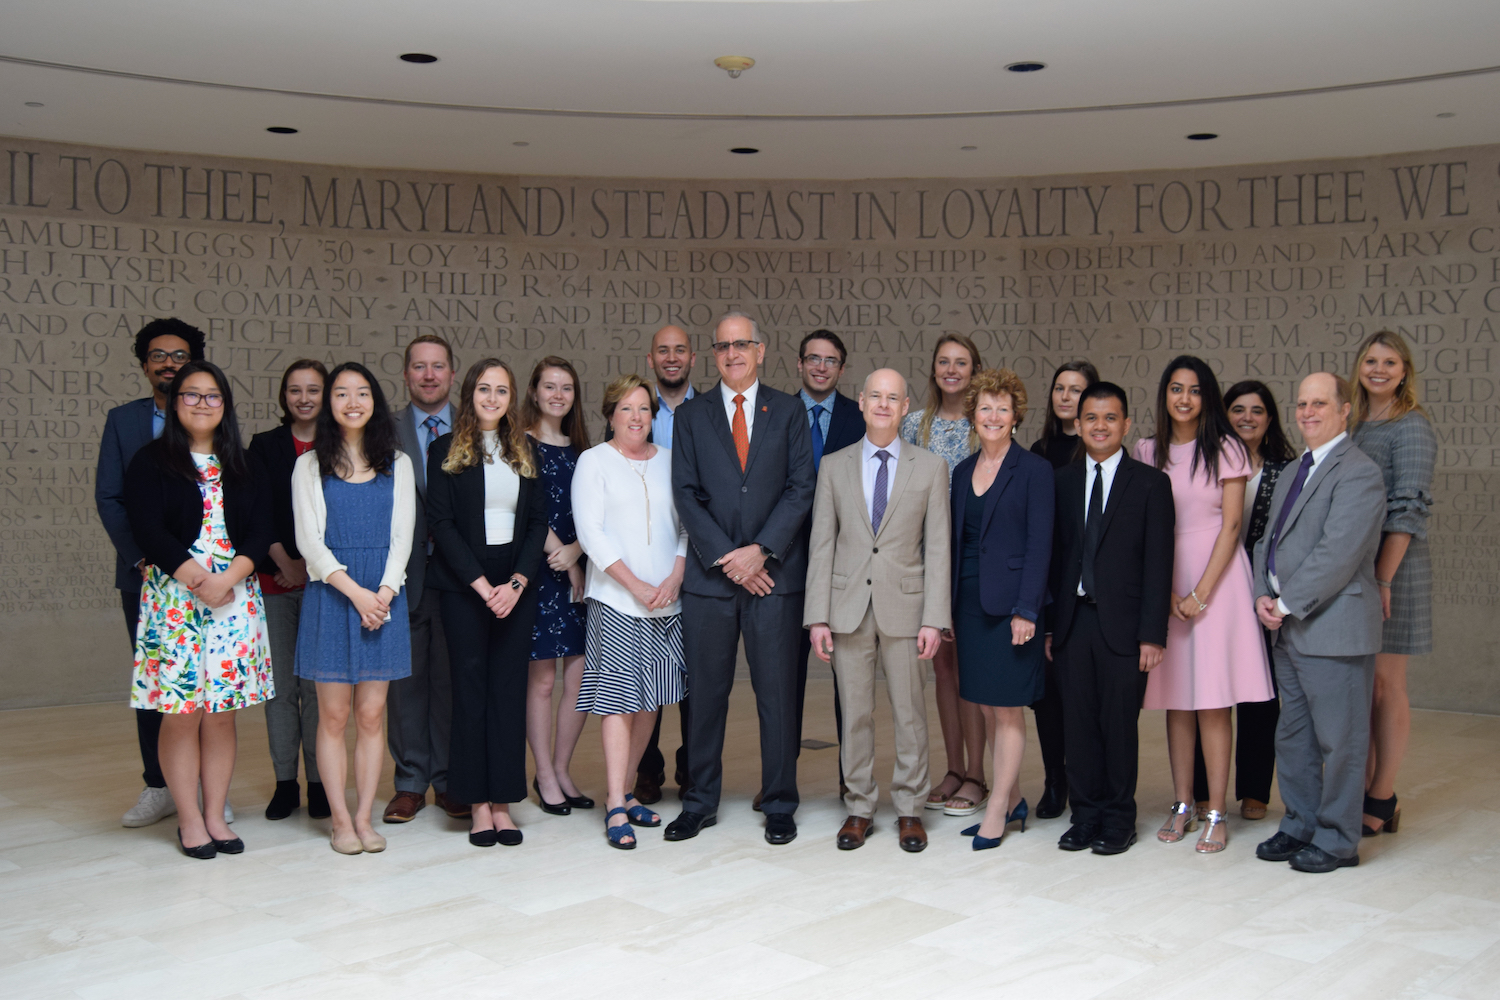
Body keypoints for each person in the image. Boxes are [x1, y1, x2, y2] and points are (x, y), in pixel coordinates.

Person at [665, 312, 816, 845]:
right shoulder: (691, 416)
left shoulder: (791, 410)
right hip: (711, 583)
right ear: (714, 355)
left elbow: (802, 487)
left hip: (773, 580)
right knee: (705, 696)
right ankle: (700, 800)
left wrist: (761, 552)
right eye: (723, 346)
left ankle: (779, 801)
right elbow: (685, 493)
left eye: (742, 344)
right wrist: (731, 557)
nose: (733, 353)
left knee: (777, 694)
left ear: (761, 350)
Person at [124, 360, 272, 858]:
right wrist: (196, 580)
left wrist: (229, 578)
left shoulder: (245, 464)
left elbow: (261, 530)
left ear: (225, 405)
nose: (202, 404)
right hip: (175, 599)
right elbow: (147, 528)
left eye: (212, 396)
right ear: (174, 401)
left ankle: (216, 814)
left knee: (221, 715)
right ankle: (189, 820)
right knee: (182, 713)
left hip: (234, 599)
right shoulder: (150, 461)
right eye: (191, 395)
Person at [806, 369, 949, 852]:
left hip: (907, 610)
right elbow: (821, 544)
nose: (884, 405)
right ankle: (859, 807)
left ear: (905, 406)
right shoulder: (834, 466)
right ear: (862, 403)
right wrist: (816, 616)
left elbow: (939, 548)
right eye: (876, 397)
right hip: (846, 607)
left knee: (909, 713)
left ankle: (910, 808)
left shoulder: (930, 468)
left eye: (894, 398)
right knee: (856, 715)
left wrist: (935, 617)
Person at [1136, 357, 1273, 854]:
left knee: (1214, 701)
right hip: (1165, 579)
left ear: (1206, 397)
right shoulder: (1147, 450)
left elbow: (1232, 526)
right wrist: (1165, 593)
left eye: (1194, 390)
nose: (1185, 398)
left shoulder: (1227, 448)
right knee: (1177, 700)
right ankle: (1181, 803)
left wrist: (1199, 595)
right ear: (1165, 395)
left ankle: (1216, 809)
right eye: (1176, 388)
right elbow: (1146, 526)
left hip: (1218, 582)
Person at [1252, 372, 1386, 872]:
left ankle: (1336, 839)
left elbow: (1338, 553)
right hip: (1287, 625)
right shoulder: (1293, 470)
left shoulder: (1359, 472)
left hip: (1333, 626)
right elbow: (1267, 540)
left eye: (1319, 403)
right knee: (1295, 735)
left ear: (1345, 409)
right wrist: (1262, 595)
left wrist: (1284, 604)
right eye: (1302, 403)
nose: (1307, 412)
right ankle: (1300, 824)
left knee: (1341, 739)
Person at [97, 318, 216, 828]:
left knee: (210, 690)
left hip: (211, 583)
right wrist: (143, 558)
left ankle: (208, 794)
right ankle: (159, 785)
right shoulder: (123, 421)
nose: (169, 364)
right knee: (160, 688)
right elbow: (111, 497)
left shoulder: (213, 416)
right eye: (159, 356)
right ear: (145, 364)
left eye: (179, 355)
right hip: (147, 577)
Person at [293, 362, 416, 855]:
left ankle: (365, 817)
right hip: (333, 596)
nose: (352, 402)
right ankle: (340, 821)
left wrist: (382, 594)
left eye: (361, 393)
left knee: (371, 715)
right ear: (330, 404)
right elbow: (310, 544)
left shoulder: (398, 463)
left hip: (384, 599)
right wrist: (358, 594)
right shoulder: (309, 465)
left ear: (375, 402)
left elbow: (403, 538)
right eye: (341, 394)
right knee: (333, 716)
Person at [1047, 383, 1174, 856]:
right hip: (1072, 622)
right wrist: (1048, 627)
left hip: (1124, 627)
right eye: (1091, 418)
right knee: (1077, 725)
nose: (1100, 426)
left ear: (1125, 424)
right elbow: (1053, 558)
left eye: (1110, 418)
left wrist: (1152, 634)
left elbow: (1159, 564)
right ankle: (1084, 815)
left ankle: (1119, 818)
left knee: (1118, 726)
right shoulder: (1059, 482)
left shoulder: (1150, 484)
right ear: (1077, 424)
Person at [426, 359, 549, 847]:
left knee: (506, 693)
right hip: (464, 589)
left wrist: (516, 584)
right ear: (469, 394)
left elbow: (538, 522)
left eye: (502, 390)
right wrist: (482, 586)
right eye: (484, 389)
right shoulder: (444, 449)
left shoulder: (526, 449)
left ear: (511, 397)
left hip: (516, 588)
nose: (493, 398)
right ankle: (476, 803)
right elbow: (442, 523)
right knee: (470, 693)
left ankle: (502, 802)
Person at [572, 375, 690, 848]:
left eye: (644, 408)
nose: (637, 417)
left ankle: (624, 791)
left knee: (653, 699)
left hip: (666, 601)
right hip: (618, 601)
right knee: (618, 701)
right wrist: (636, 585)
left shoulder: (669, 462)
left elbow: (686, 526)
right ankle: (616, 805)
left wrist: (675, 576)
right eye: (626, 408)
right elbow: (591, 534)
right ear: (610, 414)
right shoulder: (594, 462)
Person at [950, 369, 1054, 850]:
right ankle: (1011, 800)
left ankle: (998, 810)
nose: (993, 416)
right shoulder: (959, 471)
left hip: (1012, 607)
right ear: (973, 414)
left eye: (1003, 408)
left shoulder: (1033, 470)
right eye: (985, 407)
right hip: (968, 604)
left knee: (1009, 711)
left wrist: (1027, 610)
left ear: (1016, 417)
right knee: (988, 708)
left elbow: (1040, 546)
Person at [1191, 380, 1296, 821]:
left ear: (1270, 419)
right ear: (1223, 413)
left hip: (1265, 594)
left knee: (1260, 696)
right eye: (1238, 409)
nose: (1247, 417)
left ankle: (1254, 789)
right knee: (1206, 690)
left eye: (1257, 410)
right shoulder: (1206, 460)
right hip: (1214, 586)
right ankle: (1200, 789)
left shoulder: (1287, 470)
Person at [1350, 331, 1436, 839]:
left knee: (1387, 685)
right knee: (1361, 686)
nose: (1378, 369)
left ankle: (1382, 796)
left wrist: (1384, 577)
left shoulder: (1412, 427)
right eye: (1370, 360)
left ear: (1405, 371)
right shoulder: (1356, 425)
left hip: (1395, 571)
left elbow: (1408, 509)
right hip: (1359, 570)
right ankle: (1357, 787)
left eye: (1390, 362)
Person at [900, 334, 987, 817]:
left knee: (972, 671)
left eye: (961, 363)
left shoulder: (987, 424)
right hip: (928, 563)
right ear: (933, 369)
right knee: (944, 670)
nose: (952, 370)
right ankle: (954, 766)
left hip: (972, 563)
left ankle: (977, 774)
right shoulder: (915, 426)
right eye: (943, 362)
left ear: (974, 370)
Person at [385, 336, 466, 823]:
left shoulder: (476, 426)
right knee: (406, 682)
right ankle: (410, 781)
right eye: (419, 367)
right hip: (403, 574)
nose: (429, 375)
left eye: (438, 367)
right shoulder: (383, 430)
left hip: (460, 576)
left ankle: (450, 779)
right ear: (406, 374)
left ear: (453, 374)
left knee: (452, 680)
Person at [248, 360, 329, 821]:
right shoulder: (264, 446)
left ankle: (319, 782)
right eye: (295, 390)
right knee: (281, 689)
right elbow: (258, 512)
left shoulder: (341, 444)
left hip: (325, 584)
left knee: (317, 689)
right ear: (284, 397)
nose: (304, 398)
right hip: (274, 582)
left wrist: (312, 567)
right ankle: (285, 783)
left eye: (313, 390)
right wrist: (284, 562)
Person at [792, 329, 866, 806]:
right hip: (783, 561)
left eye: (831, 360)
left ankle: (851, 779)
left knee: (850, 678)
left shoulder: (862, 418)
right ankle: (778, 780)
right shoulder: (773, 412)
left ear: (842, 368)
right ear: (799, 364)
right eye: (813, 359)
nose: (821, 367)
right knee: (783, 679)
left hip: (844, 567)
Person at [520, 356, 594, 813]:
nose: (558, 395)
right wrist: (563, 556)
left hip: (581, 567)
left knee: (581, 675)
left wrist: (580, 551)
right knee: (543, 679)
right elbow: (526, 508)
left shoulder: (584, 450)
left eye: (566, 388)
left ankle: (563, 767)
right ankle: (543, 773)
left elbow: (599, 513)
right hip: (540, 572)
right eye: (550, 386)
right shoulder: (520, 445)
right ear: (534, 391)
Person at [1027, 360, 1099, 820]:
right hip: (1046, 586)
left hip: (1086, 591)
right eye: (1060, 388)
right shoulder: (1039, 450)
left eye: (1076, 390)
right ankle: (1055, 780)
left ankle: (1085, 780)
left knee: (1082, 696)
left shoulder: (1101, 448)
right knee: (1046, 697)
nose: (1066, 397)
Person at [634, 324, 697, 805]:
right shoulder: (635, 411)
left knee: (698, 671)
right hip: (646, 565)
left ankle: (694, 765)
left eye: (679, 350)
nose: (671, 358)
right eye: (663, 351)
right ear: (651, 359)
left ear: (692, 358)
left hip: (700, 561)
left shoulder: (713, 411)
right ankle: (646, 770)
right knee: (647, 673)